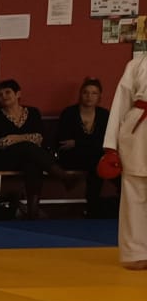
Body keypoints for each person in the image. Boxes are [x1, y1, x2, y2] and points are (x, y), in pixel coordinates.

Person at [0, 80, 64, 219]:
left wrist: (15, 138)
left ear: (18, 94)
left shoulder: (33, 113)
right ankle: (61, 175)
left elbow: (39, 138)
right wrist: (24, 139)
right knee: (27, 147)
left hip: (27, 159)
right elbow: (0, 143)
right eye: (0, 95)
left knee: (32, 163)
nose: (4, 96)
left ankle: (32, 211)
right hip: (0, 158)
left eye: (7, 92)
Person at [107, 51, 147, 270]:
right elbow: (120, 104)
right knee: (134, 190)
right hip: (138, 129)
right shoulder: (136, 65)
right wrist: (110, 146)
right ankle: (136, 252)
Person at [51, 76, 111, 217]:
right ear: (80, 94)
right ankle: (93, 206)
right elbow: (64, 142)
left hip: (95, 156)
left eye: (94, 93)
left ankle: (99, 206)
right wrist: (89, 143)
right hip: (71, 157)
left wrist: (78, 142)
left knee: (99, 161)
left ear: (99, 96)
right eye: (85, 92)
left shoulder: (104, 115)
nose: (89, 96)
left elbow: (104, 141)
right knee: (97, 159)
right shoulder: (69, 113)